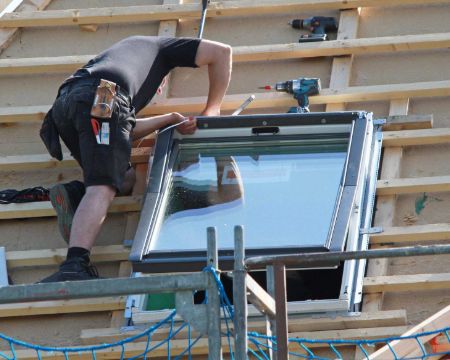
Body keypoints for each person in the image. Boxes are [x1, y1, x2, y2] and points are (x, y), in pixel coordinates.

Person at [38, 35, 232, 283]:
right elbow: (222, 52)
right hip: (102, 97)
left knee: (118, 175)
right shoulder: (163, 48)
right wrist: (212, 110)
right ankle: (74, 265)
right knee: (102, 186)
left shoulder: (123, 56)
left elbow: (120, 127)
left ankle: (76, 193)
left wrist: (169, 118)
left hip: (67, 103)